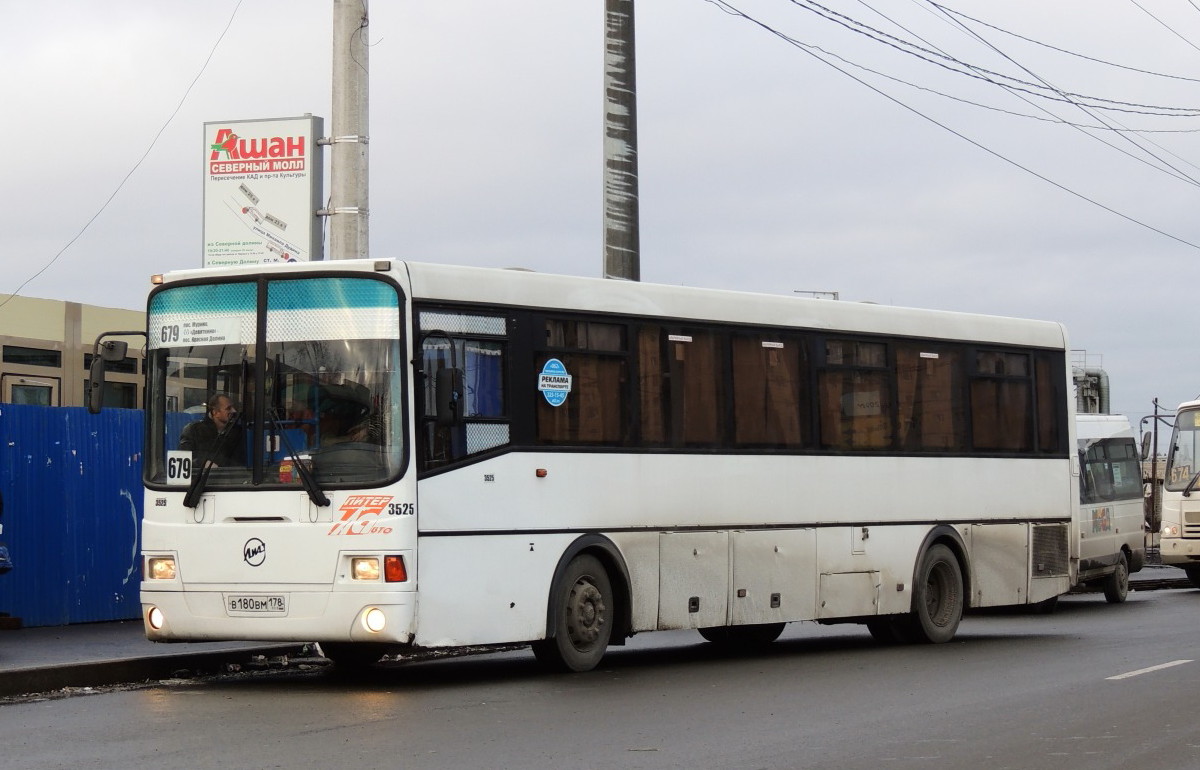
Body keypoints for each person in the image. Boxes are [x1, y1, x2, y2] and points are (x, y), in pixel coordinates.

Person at [180, 393, 246, 468]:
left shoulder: (238, 432)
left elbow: (240, 463)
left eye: (233, 407)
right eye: (228, 408)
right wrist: (201, 463)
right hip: (201, 478)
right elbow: (183, 459)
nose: (234, 411)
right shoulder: (193, 431)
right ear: (215, 412)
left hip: (230, 478)